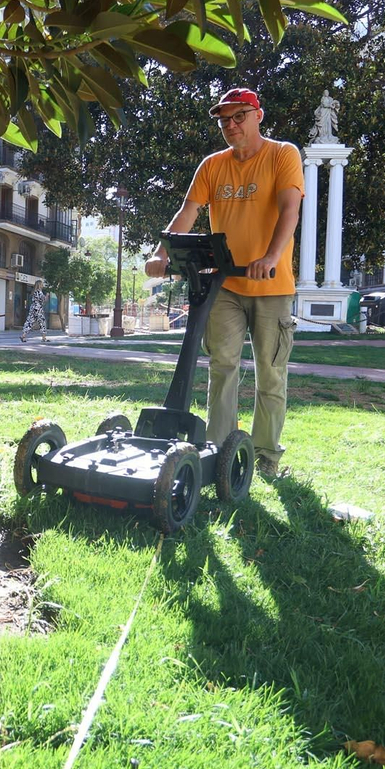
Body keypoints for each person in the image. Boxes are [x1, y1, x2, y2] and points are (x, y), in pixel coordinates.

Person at [144, 87, 303, 479]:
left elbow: (290, 209)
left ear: (257, 116)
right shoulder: (213, 165)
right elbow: (189, 211)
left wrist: (270, 256)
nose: (230, 125)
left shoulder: (283, 154)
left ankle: (265, 457)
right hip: (226, 284)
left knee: (270, 372)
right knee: (223, 366)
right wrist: (162, 253)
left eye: (239, 116)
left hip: (272, 284)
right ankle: (219, 451)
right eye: (224, 120)